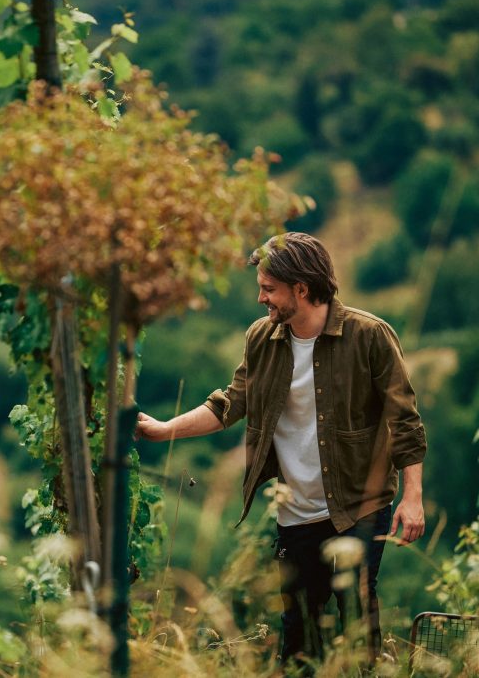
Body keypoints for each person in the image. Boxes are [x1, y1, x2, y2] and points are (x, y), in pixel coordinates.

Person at [135, 232, 426, 664]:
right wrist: (164, 430)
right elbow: (230, 403)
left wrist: (413, 497)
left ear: (301, 289)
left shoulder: (370, 336)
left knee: (356, 629)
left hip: (360, 506)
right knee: (297, 641)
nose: (260, 299)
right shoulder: (262, 339)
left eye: (268, 289)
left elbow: (404, 421)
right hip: (296, 514)